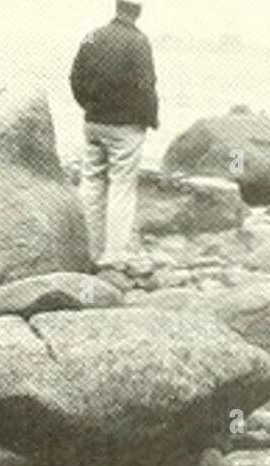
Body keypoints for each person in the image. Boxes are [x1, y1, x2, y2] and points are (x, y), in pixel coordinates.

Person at [70, 0, 160, 270]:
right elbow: (147, 86)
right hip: (126, 127)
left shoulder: (92, 35)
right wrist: (150, 119)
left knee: (91, 184)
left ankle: (88, 250)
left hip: (94, 123)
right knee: (121, 187)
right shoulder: (139, 41)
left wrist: (88, 106)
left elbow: (74, 78)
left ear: (116, 7)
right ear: (138, 12)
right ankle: (114, 254)